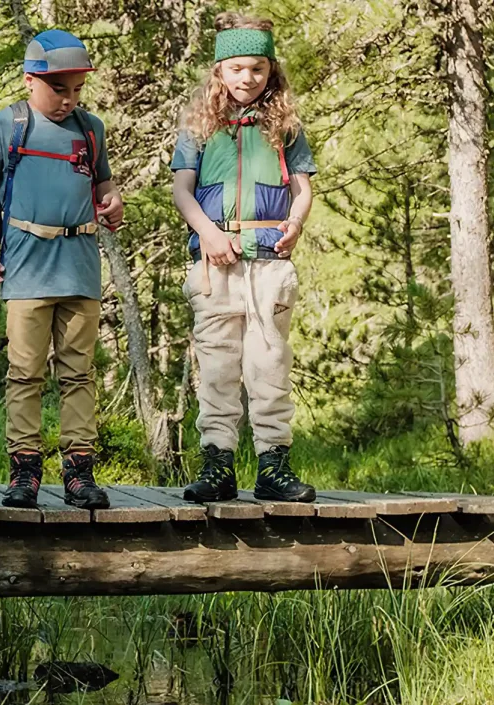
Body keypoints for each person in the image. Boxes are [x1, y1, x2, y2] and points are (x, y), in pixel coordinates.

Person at [0, 30, 124, 509]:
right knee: (25, 372)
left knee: (79, 373)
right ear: (30, 79)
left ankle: (78, 472)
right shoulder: (6, 127)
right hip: (28, 268)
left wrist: (112, 202)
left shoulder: (90, 129)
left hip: (80, 267)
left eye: (76, 89)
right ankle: (24, 472)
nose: (68, 100)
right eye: (59, 89)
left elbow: (104, 185)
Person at [171, 12, 317, 503]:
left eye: (256, 69)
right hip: (215, 263)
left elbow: (302, 189)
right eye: (236, 69)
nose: (246, 79)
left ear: (270, 71)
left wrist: (294, 223)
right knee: (217, 365)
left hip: (269, 260)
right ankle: (218, 464)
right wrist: (208, 234)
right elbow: (182, 191)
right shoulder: (198, 126)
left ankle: (274, 465)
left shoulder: (285, 126)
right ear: (219, 71)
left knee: (269, 361)